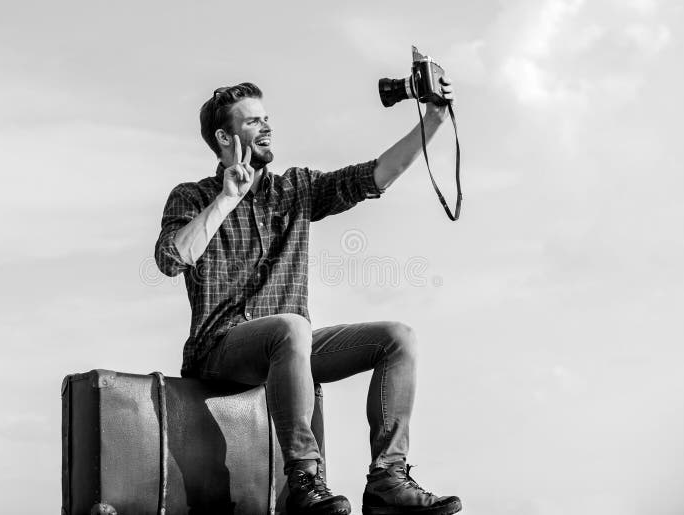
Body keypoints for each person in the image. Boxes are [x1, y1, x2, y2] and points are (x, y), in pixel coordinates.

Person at [154, 81, 461, 515]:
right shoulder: (193, 196)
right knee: (292, 327)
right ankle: (304, 476)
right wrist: (227, 197)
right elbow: (172, 258)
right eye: (254, 120)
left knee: (398, 337)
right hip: (221, 349)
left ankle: (387, 479)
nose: (267, 126)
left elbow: (376, 175)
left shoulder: (293, 189)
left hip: (290, 347)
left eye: (267, 118)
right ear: (225, 138)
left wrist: (433, 121)